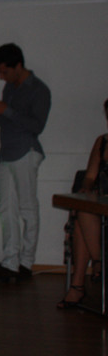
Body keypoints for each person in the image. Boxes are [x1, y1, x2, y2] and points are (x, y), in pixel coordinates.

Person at [0, 43, 51, 282]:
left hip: (26, 151)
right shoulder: (9, 88)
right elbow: (7, 122)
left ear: (18, 66)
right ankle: (10, 262)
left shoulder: (39, 89)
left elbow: (37, 126)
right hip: (6, 152)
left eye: (4, 71)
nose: (2, 77)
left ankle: (26, 263)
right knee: (6, 209)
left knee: (27, 208)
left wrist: (7, 111)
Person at [58, 97, 108, 308]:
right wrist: (87, 188)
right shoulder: (102, 141)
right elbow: (89, 176)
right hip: (102, 202)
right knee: (83, 212)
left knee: (82, 220)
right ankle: (98, 263)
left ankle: (78, 286)